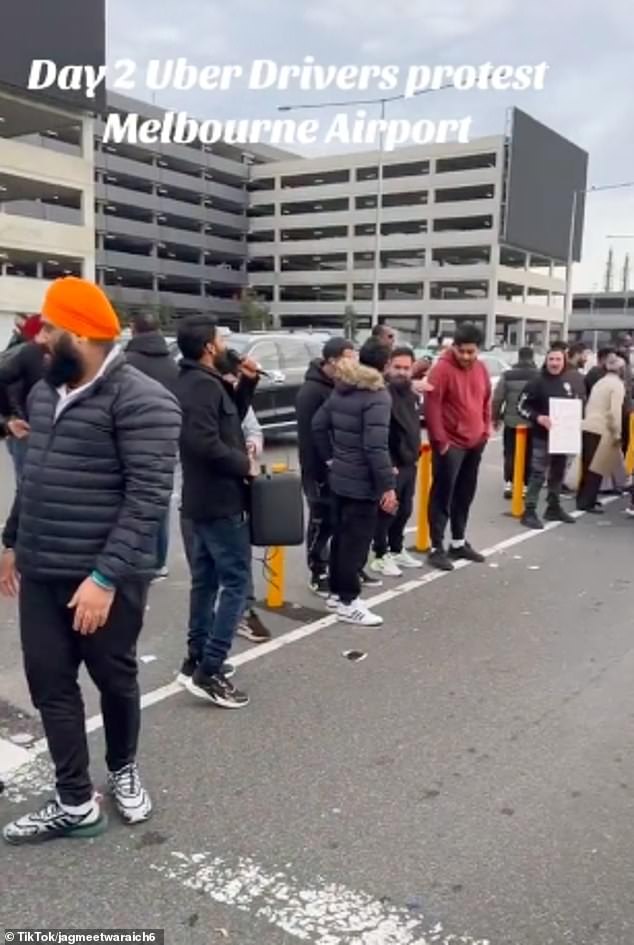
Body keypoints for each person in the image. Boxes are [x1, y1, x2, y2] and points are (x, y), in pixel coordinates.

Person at [0, 276, 181, 845]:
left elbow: (147, 498)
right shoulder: (44, 394)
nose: (41, 341)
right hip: (43, 569)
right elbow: (35, 479)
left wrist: (104, 578)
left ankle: (123, 768)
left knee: (114, 677)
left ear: (80, 334)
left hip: (106, 578)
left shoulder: (145, 401)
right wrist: (11, 541)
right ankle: (75, 800)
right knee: (50, 683)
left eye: (50, 330)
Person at [175, 314, 259, 709]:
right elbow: (204, 443)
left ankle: (196, 659)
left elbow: (231, 422)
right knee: (236, 582)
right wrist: (246, 465)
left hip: (209, 499)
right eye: (221, 339)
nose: (226, 345)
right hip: (219, 500)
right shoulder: (199, 387)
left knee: (206, 581)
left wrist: (248, 383)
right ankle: (210, 669)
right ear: (209, 347)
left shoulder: (207, 383)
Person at [313, 339, 396, 627]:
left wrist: (331, 460)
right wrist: (387, 485)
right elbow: (376, 447)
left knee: (341, 539)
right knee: (356, 542)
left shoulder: (341, 390)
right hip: (362, 482)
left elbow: (318, 425)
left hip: (340, 478)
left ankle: (337, 594)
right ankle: (348, 601)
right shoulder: (377, 396)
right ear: (385, 366)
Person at [424, 323, 491, 572]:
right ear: (454, 347)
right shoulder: (441, 369)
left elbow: (486, 400)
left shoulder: (482, 369)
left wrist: (485, 430)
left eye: (471, 352)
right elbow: (432, 408)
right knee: (443, 495)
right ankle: (436, 547)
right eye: (461, 351)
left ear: (478, 350)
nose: (465, 356)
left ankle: (458, 542)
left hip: (475, 442)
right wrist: (441, 442)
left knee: (465, 494)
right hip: (450, 444)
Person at [296, 336, 356, 595]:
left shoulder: (339, 385)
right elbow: (311, 436)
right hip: (319, 469)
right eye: (348, 357)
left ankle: (338, 567)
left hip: (341, 467)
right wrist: (325, 465)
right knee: (321, 521)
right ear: (332, 360)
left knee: (339, 521)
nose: (353, 363)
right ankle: (317, 570)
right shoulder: (312, 391)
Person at [125, 312, 179, 580]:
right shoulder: (172, 364)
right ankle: (159, 561)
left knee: (132, 500)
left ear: (134, 330)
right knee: (159, 497)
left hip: (130, 440)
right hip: (166, 440)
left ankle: (137, 559)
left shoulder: (126, 364)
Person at [370, 346, 422, 577]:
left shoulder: (409, 394)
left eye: (406, 368)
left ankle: (397, 548)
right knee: (386, 512)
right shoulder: (382, 394)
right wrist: (386, 464)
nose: (402, 372)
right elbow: (378, 434)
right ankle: (380, 555)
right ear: (388, 367)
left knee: (404, 510)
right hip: (391, 463)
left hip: (409, 462)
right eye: (397, 367)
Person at [517, 347, 578, 530]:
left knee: (558, 473)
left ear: (564, 361)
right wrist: (538, 418)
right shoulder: (536, 382)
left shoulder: (567, 384)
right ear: (546, 361)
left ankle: (553, 506)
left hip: (562, 437)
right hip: (541, 436)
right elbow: (521, 406)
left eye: (558, 359)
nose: (554, 363)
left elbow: (573, 405)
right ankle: (529, 510)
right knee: (538, 474)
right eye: (551, 359)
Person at [0, 316, 52, 480]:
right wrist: (9, 416)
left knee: (25, 484)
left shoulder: (21, 350)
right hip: (26, 426)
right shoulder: (31, 353)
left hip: (21, 424)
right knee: (28, 484)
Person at [577, 353, 626, 513]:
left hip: (588, 425)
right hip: (603, 429)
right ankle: (588, 502)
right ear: (621, 370)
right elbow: (614, 411)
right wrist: (617, 432)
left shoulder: (601, 382)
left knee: (586, 465)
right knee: (597, 468)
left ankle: (582, 498)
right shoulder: (617, 385)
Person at [492, 346, 539, 499]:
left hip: (512, 422)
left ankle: (510, 483)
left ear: (518, 357)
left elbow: (498, 398)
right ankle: (525, 484)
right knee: (529, 453)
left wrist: (496, 417)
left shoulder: (508, 375)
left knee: (510, 452)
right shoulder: (539, 375)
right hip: (532, 422)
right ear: (532, 358)